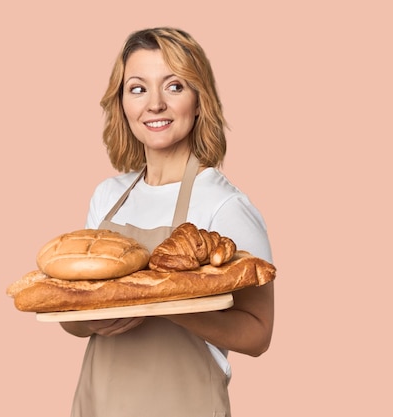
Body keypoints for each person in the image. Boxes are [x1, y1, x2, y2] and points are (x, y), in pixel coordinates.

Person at [61, 27, 275, 417]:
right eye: (138, 88)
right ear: (122, 104)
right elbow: (72, 317)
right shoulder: (107, 197)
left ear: (198, 101)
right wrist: (93, 318)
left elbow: (259, 333)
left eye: (174, 86)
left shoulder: (225, 204)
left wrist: (161, 304)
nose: (155, 104)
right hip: (100, 403)